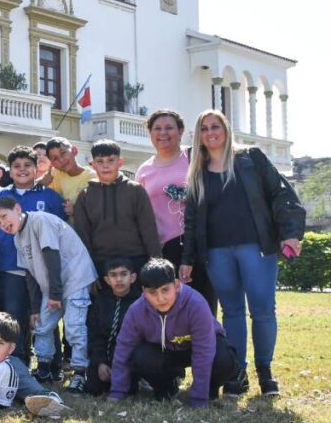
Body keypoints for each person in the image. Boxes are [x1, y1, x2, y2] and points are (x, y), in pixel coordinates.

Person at [180, 110, 306, 397]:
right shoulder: (196, 170)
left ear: (226, 129)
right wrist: (187, 259)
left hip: (256, 247)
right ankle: (237, 372)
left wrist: (290, 232)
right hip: (216, 251)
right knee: (232, 312)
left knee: (262, 310)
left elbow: (281, 193)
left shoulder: (251, 158)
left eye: (215, 126)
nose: (210, 132)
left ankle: (266, 372)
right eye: (204, 128)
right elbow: (191, 219)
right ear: (198, 135)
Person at [0, 196, 96, 392]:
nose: (3, 223)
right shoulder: (17, 238)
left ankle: (81, 372)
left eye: (4, 216)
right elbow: (29, 274)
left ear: (17, 208)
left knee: (74, 327)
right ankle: (44, 368)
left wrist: (55, 294)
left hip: (74, 279)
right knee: (41, 326)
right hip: (52, 287)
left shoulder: (39, 221)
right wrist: (34, 308)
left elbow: (51, 256)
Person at [108, 258, 238, 407]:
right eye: (152, 293)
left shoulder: (196, 304)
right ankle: (167, 388)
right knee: (140, 356)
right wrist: (117, 392)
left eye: (165, 290)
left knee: (224, 359)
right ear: (144, 292)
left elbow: (204, 351)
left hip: (197, 348)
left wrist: (198, 399)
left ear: (176, 285)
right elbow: (123, 349)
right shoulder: (136, 311)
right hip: (165, 352)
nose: (160, 298)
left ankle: (210, 389)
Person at [0, 145, 66, 365]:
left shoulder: (50, 197)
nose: (22, 170)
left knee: (46, 316)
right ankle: (17, 361)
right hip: (11, 265)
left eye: (27, 165)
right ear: (10, 171)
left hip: (41, 268)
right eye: (16, 166)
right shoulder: (1, 196)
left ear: (37, 168)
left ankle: (52, 363)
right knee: (14, 315)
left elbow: (59, 230)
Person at [135, 109, 216, 313]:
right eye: (157, 128)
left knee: (201, 305)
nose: (163, 133)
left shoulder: (195, 157)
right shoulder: (144, 170)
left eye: (169, 128)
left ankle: (206, 343)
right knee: (169, 308)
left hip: (198, 244)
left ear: (180, 131)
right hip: (163, 249)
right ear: (149, 132)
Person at [73, 139, 162, 278]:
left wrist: (156, 263)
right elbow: (82, 236)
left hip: (136, 260)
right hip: (100, 263)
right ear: (93, 165)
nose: (105, 166)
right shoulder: (85, 196)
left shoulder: (136, 190)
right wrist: (87, 271)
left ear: (120, 162)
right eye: (100, 161)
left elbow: (149, 229)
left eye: (111, 160)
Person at [85, 257, 141, 396]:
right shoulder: (100, 302)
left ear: (133, 277)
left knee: (130, 390)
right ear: (107, 280)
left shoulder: (140, 303)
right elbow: (95, 335)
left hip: (128, 360)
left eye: (123, 274)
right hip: (103, 358)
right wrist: (100, 362)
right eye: (113, 275)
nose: (119, 279)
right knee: (93, 388)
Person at [45, 137, 95, 221]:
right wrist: (42, 183)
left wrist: (76, 210)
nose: (61, 160)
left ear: (74, 151)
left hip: (84, 232)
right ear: (52, 164)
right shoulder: (55, 174)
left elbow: (99, 211)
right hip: (62, 232)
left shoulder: (92, 178)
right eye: (55, 158)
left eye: (63, 153)